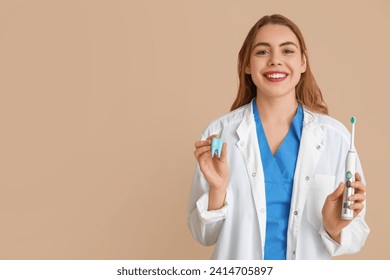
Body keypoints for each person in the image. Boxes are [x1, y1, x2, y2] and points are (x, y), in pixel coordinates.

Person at [187, 14, 370, 260]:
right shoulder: (219, 134)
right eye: (262, 52)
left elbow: (357, 234)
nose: (275, 60)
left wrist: (334, 226)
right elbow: (204, 235)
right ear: (247, 65)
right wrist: (218, 190)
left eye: (287, 51)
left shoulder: (335, 138)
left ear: (303, 62)